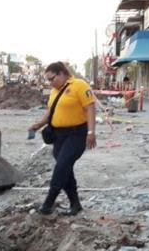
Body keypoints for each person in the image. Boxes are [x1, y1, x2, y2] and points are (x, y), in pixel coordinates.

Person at [28, 61, 97, 216]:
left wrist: (91, 132)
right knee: (65, 169)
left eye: (52, 79)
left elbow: (90, 108)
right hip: (59, 136)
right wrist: (38, 124)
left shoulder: (79, 85)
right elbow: (50, 111)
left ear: (61, 73)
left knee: (61, 166)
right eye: (48, 80)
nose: (50, 83)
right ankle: (75, 204)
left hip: (76, 134)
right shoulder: (54, 91)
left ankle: (48, 203)